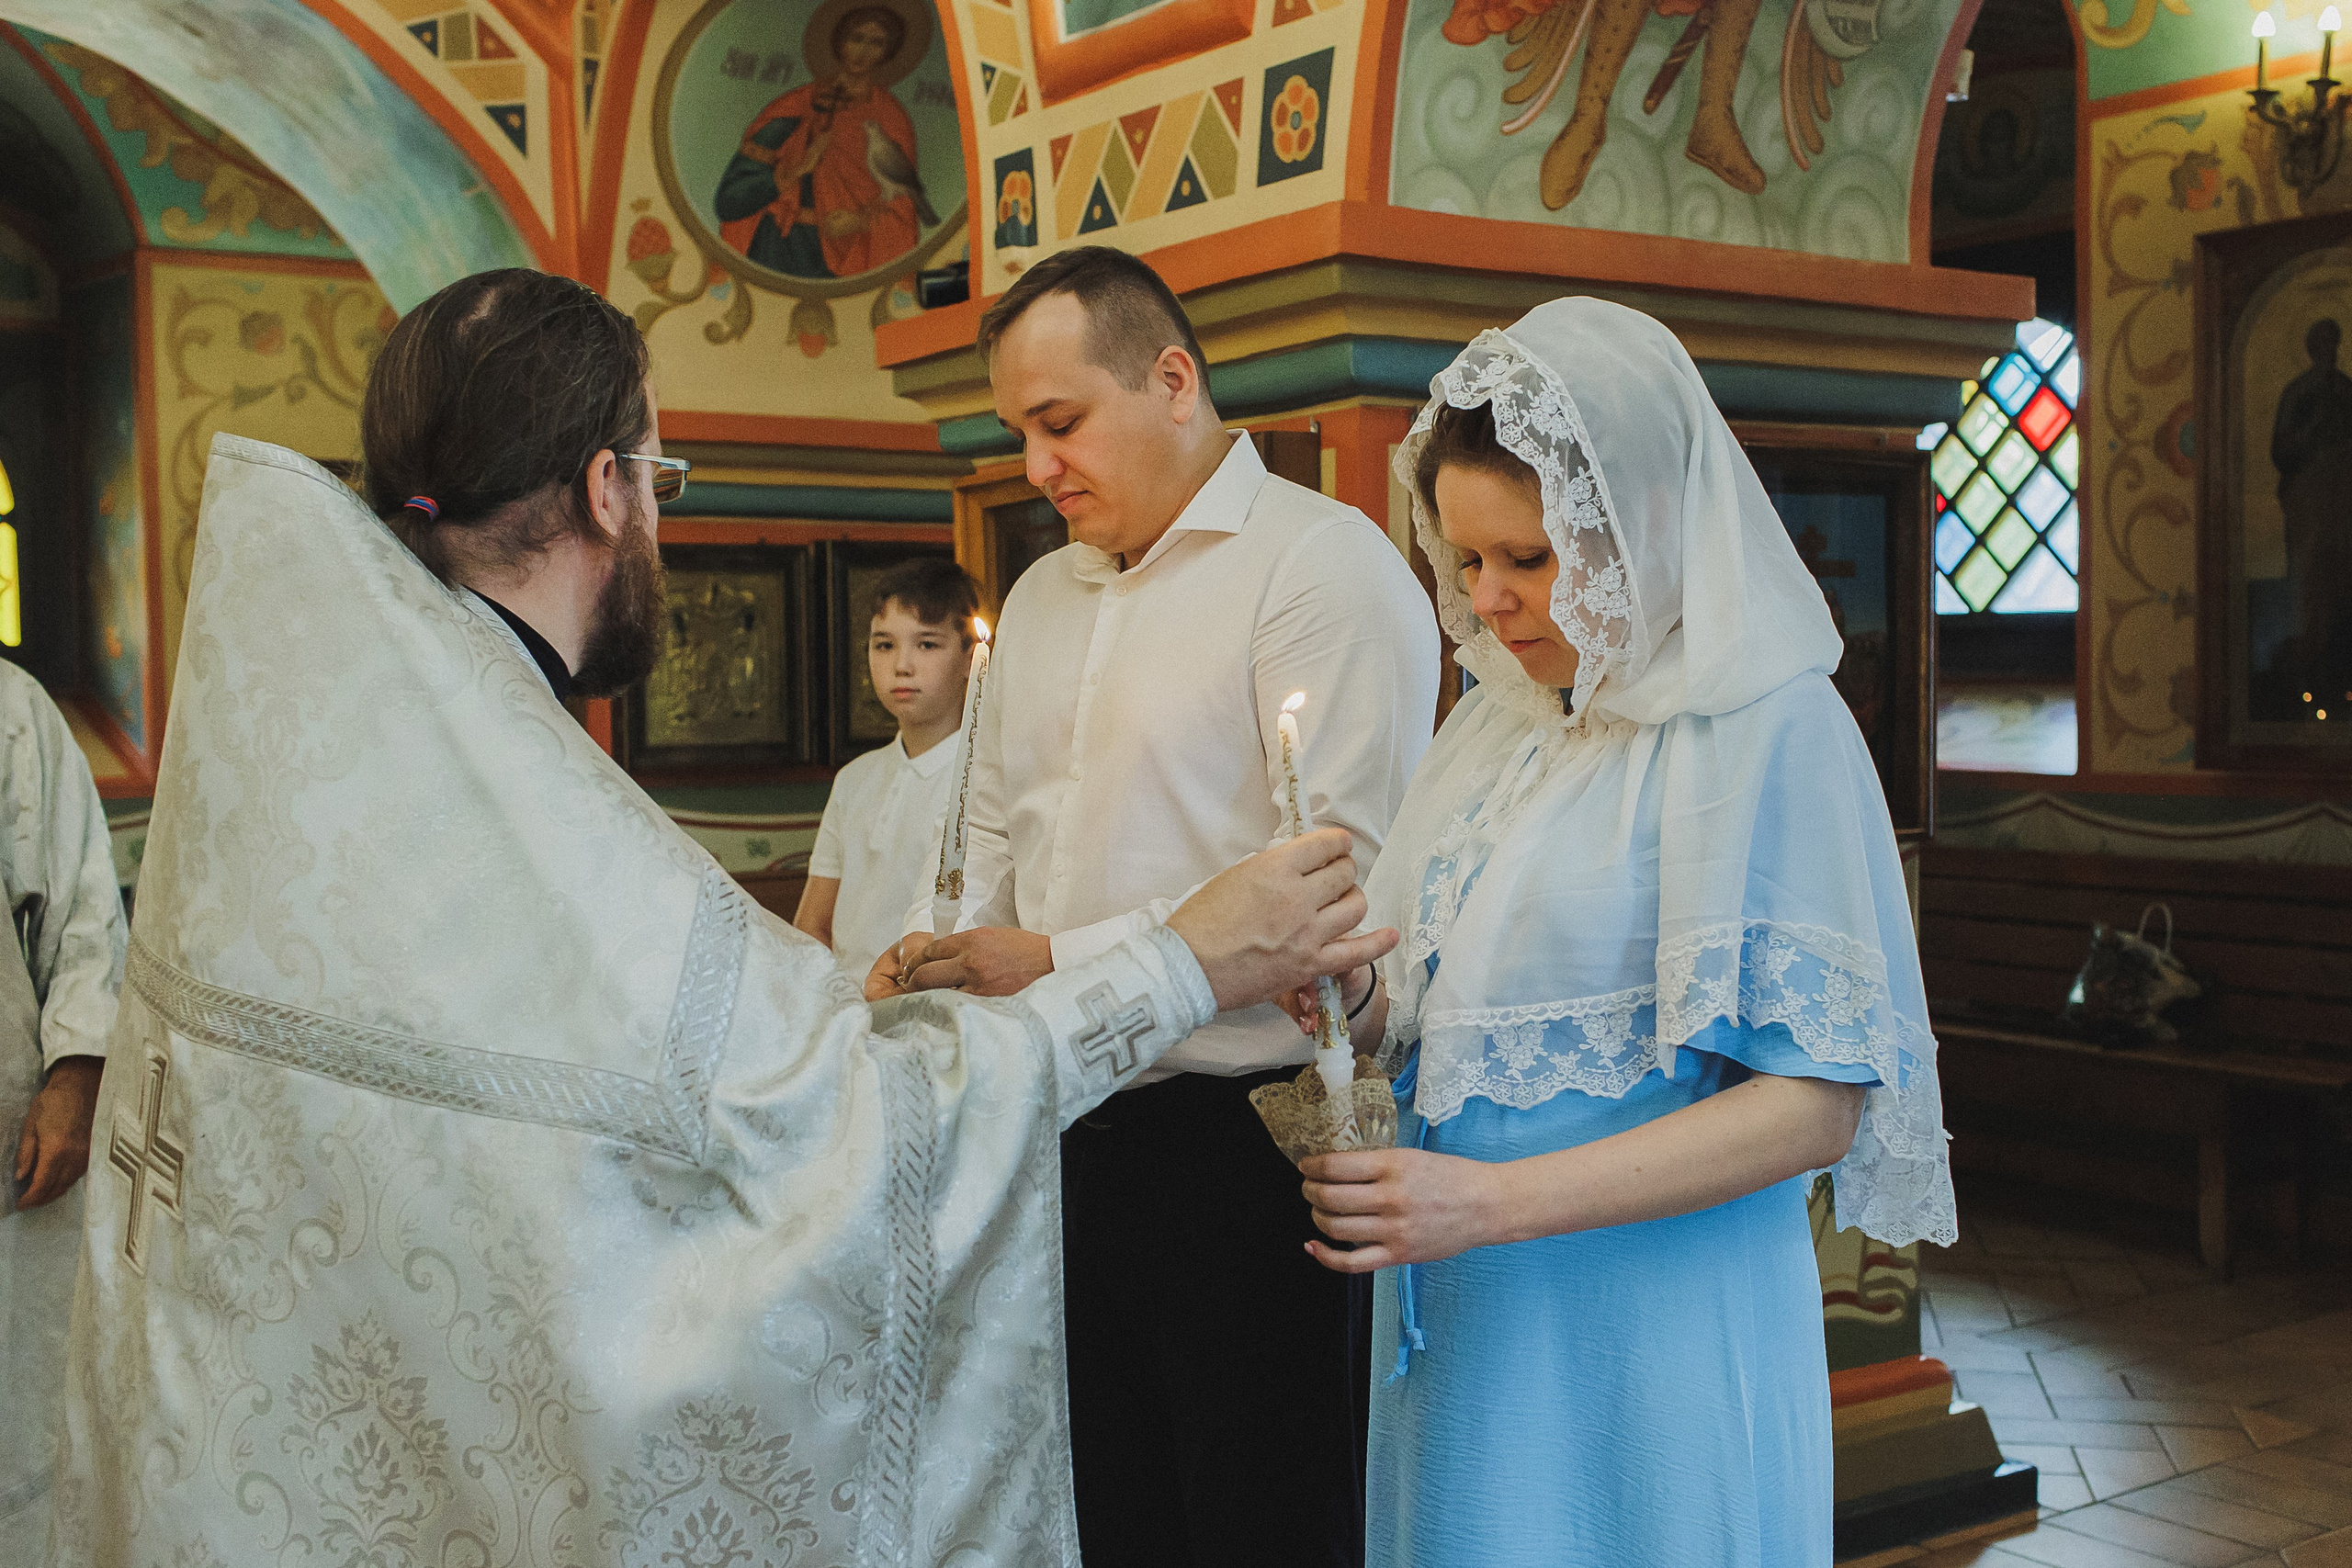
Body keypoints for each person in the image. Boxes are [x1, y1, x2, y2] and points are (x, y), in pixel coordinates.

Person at [46, 268, 1395, 1568]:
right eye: (661, 478)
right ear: (603, 486)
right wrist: (1173, 955)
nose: (662, 519)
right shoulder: (525, 809)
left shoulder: (326, 743)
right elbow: (826, 1117)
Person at [1291, 299, 1956, 1567]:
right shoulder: (1499, 721)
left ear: (1638, 524)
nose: (1487, 600)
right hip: (1471, 1306)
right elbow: (1463, 1017)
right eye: (1467, 556)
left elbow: (1816, 1105)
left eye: (1529, 559)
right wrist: (1353, 1006)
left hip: (1646, 1315)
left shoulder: (1769, 729)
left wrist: (1487, 1200)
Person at [872, 245, 1440, 1568]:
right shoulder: (1044, 594)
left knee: (1258, 1516)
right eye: (1020, 431)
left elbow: (1334, 882)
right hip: (1055, 1116)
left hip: (1244, 1136)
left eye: (1060, 422)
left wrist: (1051, 959)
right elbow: (1001, 825)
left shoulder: (1318, 569)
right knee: (1101, 1502)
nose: (1034, 464)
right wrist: (940, 945)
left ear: (1172, 379)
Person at [0, 659, 125, 1562]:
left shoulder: (9, 711)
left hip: (14, 1159)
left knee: (21, 1433)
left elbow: (83, 908)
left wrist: (78, 1073)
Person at [795, 557, 980, 976]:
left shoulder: (981, 778)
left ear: (971, 657)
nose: (902, 665)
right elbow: (812, 926)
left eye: (927, 644)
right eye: (884, 644)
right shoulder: (855, 779)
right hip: (846, 1010)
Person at [714, 5, 924, 279]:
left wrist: (860, 221)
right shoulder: (794, 106)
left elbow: (903, 205)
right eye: (856, 38)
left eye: (876, 43)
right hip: (775, 245)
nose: (862, 51)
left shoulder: (890, 119)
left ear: (888, 52)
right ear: (839, 42)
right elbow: (730, 200)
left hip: (845, 254)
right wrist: (790, 174)